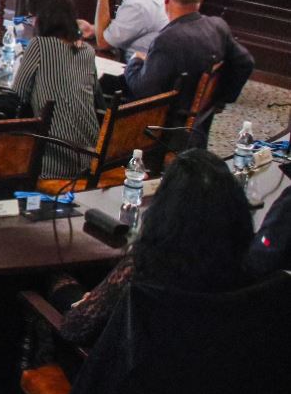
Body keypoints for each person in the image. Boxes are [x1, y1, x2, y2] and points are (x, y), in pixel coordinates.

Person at [50, 149, 254, 347]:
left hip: (128, 365)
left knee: (54, 277)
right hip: (203, 359)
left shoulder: (146, 264)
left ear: (166, 207)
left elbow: (74, 329)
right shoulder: (244, 262)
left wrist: (87, 303)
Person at [123, 0, 254, 121]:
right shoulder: (218, 26)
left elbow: (143, 91)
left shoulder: (167, 40)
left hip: (164, 124)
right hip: (199, 121)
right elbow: (246, 63)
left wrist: (135, 61)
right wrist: (219, 100)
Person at [12, 0, 101, 180]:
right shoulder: (88, 50)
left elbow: (16, 95)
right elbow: (95, 95)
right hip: (89, 159)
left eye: (32, 16)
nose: (31, 22)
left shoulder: (39, 46)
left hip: (52, 161)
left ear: (42, 18)